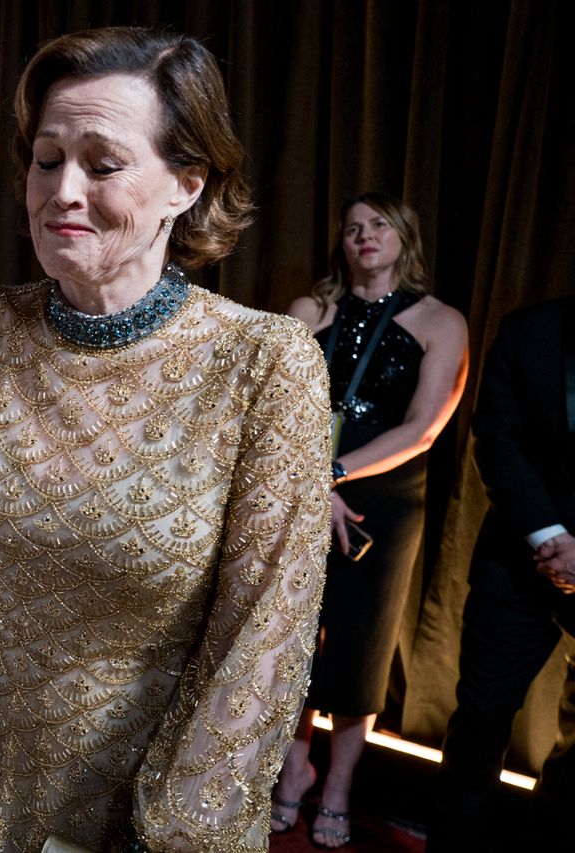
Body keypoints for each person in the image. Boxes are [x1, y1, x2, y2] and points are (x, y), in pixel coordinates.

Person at [0, 27, 332, 853]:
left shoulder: (264, 363)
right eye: (47, 158)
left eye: (102, 162)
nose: (62, 189)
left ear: (186, 184)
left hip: (160, 814)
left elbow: (264, 633)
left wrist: (170, 831)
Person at [272, 192, 468, 848]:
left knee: (360, 646)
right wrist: (311, 480)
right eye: (353, 227)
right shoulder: (309, 309)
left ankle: (339, 785)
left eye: (378, 224)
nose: (364, 235)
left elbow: (424, 426)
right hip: (299, 486)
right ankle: (294, 768)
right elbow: (278, 409)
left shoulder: (441, 321)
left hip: (383, 497)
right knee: (291, 638)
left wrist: (334, 475)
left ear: (404, 237)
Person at [425, 296, 575, 852]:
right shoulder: (529, 330)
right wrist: (551, 537)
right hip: (517, 560)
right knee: (480, 725)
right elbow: (498, 437)